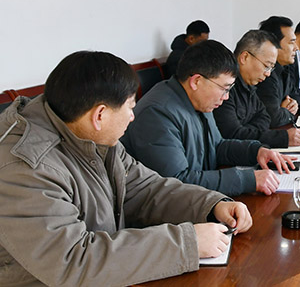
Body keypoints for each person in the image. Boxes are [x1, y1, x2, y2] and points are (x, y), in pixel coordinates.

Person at [0, 51, 252, 286]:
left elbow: (145, 189)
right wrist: (188, 244)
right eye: (130, 107)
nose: (133, 117)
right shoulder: (26, 168)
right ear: (100, 115)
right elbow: (72, 259)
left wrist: (211, 205)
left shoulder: (91, 134)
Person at [122, 40, 295, 197]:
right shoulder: (158, 113)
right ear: (196, 81)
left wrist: (256, 151)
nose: (226, 97)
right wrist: (247, 180)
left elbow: (217, 147)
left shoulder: (198, 100)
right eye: (224, 88)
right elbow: (177, 182)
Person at [213, 30, 300, 147]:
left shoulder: (249, 84)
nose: (268, 74)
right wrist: (282, 138)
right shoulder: (225, 88)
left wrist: (246, 129)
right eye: (266, 66)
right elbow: (232, 134)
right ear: (245, 57)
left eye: (271, 68)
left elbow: (265, 118)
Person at [256, 16, 300, 127]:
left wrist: (294, 105)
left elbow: (297, 97)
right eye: (291, 42)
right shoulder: (266, 74)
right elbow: (273, 118)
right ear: (273, 44)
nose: (296, 48)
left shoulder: (285, 68)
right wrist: (289, 113)